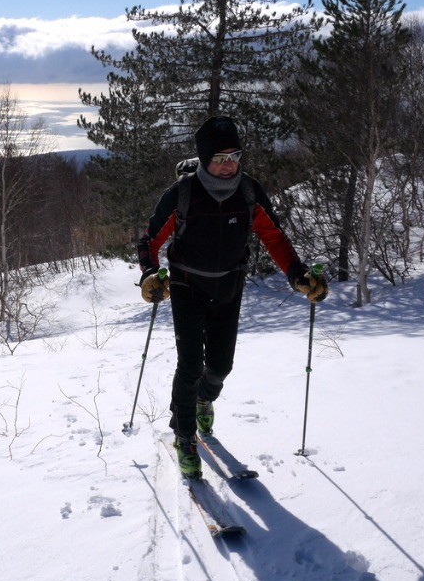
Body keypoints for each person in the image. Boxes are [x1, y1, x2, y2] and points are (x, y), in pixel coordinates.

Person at [136, 115, 328, 479]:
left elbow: (274, 237)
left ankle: (204, 399)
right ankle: (185, 435)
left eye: (234, 156)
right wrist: (149, 274)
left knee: (220, 366)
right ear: (205, 159)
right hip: (187, 287)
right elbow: (149, 240)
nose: (229, 165)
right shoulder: (183, 194)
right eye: (220, 158)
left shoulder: (248, 193)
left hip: (229, 287)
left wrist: (297, 275)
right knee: (190, 364)